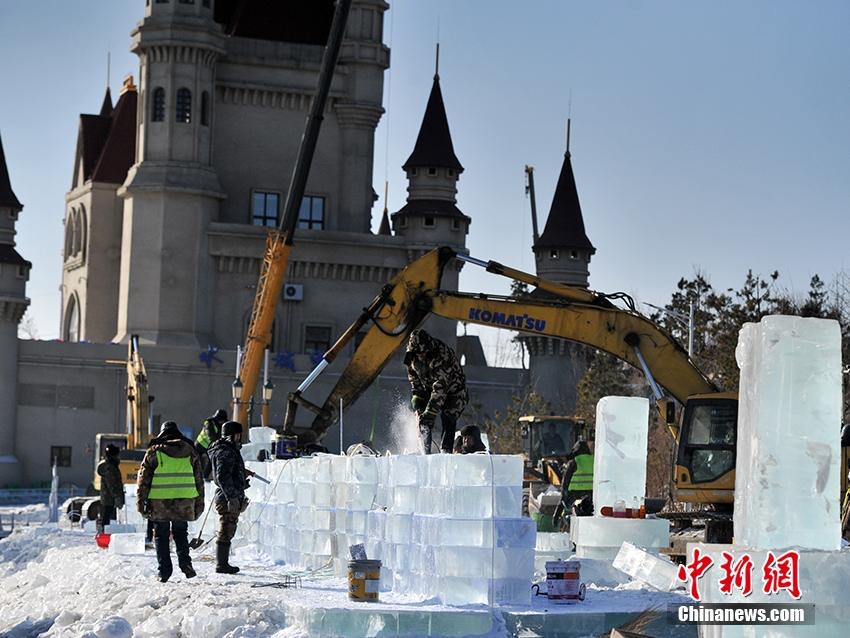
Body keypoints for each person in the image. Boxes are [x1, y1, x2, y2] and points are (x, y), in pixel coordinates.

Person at [137, 421, 204, 582]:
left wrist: (141, 504)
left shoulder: (154, 452)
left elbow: (143, 481)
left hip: (160, 503)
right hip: (184, 502)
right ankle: (186, 565)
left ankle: (164, 571)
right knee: (181, 534)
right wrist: (199, 503)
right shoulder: (190, 451)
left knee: (161, 536)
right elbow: (199, 480)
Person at [403, 329, 469, 454]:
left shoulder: (442, 354)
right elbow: (414, 378)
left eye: (423, 353)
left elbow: (440, 387)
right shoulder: (412, 356)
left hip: (454, 391)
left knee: (448, 416)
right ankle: (424, 449)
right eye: (418, 353)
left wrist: (431, 412)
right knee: (423, 420)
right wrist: (417, 397)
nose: (420, 356)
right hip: (429, 388)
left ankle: (446, 450)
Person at [208, 421, 249, 574]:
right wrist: (232, 497)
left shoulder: (229, 450)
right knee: (227, 528)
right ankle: (221, 564)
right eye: (239, 435)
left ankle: (223, 563)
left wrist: (241, 478)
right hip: (227, 496)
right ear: (234, 435)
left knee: (229, 527)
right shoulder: (226, 451)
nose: (240, 438)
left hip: (229, 494)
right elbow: (222, 476)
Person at [556, 439, 594, 529]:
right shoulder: (594, 460)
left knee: (570, 514)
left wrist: (563, 497)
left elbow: (565, 482)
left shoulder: (574, 461)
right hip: (591, 495)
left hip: (575, 495)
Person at [96, 444, 125, 534]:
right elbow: (112, 484)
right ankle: (103, 535)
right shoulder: (110, 468)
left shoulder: (111, 466)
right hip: (109, 498)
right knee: (105, 518)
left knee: (105, 518)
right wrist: (117, 496)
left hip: (108, 498)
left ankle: (103, 533)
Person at [196, 409, 228, 478]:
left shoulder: (222, 424)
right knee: (197, 463)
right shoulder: (209, 423)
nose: (222, 422)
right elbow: (211, 435)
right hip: (200, 445)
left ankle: (205, 477)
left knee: (211, 461)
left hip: (209, 446)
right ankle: (197, 477)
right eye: (221, 420)